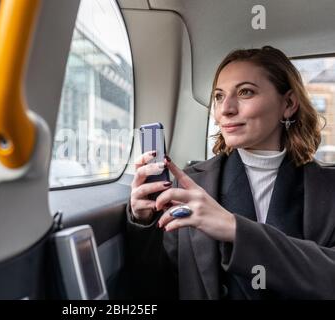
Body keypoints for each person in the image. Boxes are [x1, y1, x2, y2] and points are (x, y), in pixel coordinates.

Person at [127, 45, 335, 299]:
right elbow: (156, 287)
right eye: (218, 96)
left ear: (289, 103)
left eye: (246, 92)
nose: (225, 109)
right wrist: (144, 223)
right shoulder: (190, 184)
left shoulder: (328, 188)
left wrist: (234, 229)